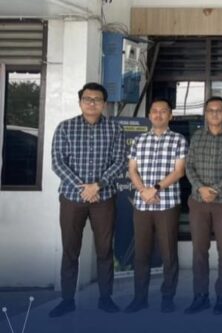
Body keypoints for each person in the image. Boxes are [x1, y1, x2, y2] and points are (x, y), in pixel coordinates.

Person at [49, 83, 127, 317]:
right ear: (80, 102)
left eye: (97, 99)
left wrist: (97, 186)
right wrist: (82, 187)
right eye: (87, 99)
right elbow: (57, 162)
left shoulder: (115, 129)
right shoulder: (65, 128)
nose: (92, 103)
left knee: (104, 249)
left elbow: (120, 162)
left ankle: (105, 298)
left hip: (104, 198)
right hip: (72, 198)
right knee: (70, 249)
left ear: (104, 103)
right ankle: (67, 300)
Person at [124, 99, 188, 313]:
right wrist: (144, 191)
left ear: (170, 115)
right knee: (141, 254)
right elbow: (132, 169)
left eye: (163, 111)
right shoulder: (139, 140)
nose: (158, 114)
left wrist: (156, 188)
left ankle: (167, 298)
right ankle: (139, 298)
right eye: (154, 111)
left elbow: (179, 171)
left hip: (167, 205)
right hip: (142, 205)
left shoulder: (178, 139)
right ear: (149, 115)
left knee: (168, 253)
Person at [184, 96, 222, 315]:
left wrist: (216, 189)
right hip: (198, 202)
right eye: (211, 110)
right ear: (205, 113)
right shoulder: (197, 136)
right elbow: (189, 166)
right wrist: (200, 188)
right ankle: (200, 296)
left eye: (219, 110)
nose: (215, 114)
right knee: (199, 250)